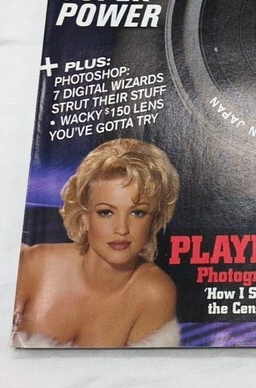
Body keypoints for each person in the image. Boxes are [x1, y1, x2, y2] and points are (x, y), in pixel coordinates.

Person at [13, 139, 181, 348]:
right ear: (85, 217)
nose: (122, 229)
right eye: (106, 212)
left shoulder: (154, 293)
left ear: (154, 220)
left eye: (137, 213)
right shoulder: (33, 265)